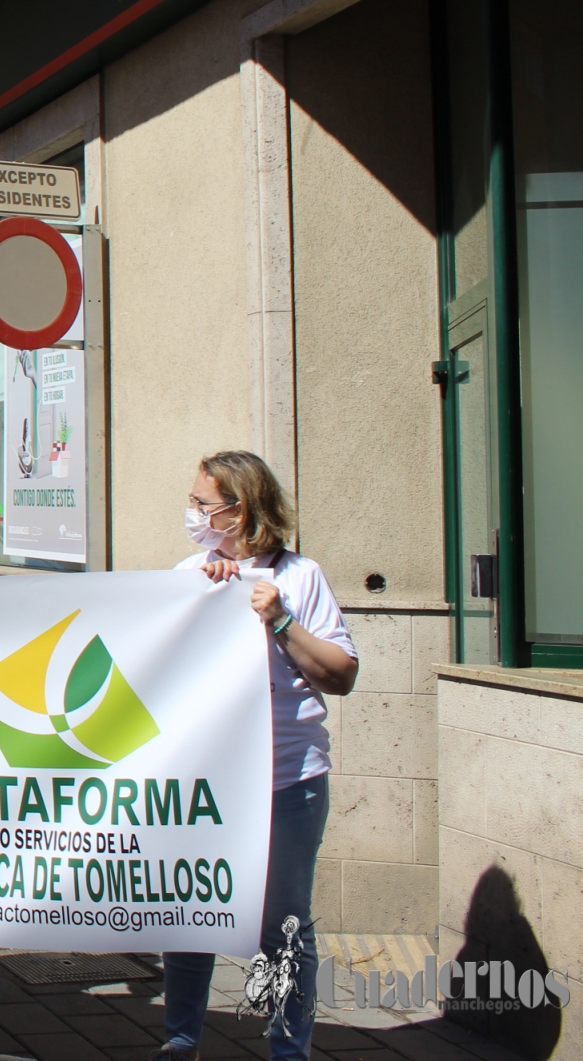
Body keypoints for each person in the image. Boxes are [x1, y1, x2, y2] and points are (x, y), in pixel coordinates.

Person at [159, 451, 358, 1061]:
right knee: (189, 915)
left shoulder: (301, 576)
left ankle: (289, 1049)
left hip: (286, 781)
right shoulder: (189, 572)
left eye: (202, 503)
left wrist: (279, 620)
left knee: (283, 924)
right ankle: (181, 1039)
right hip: (207, 784)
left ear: (238, 507)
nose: (193, 513)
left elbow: (341, 675)